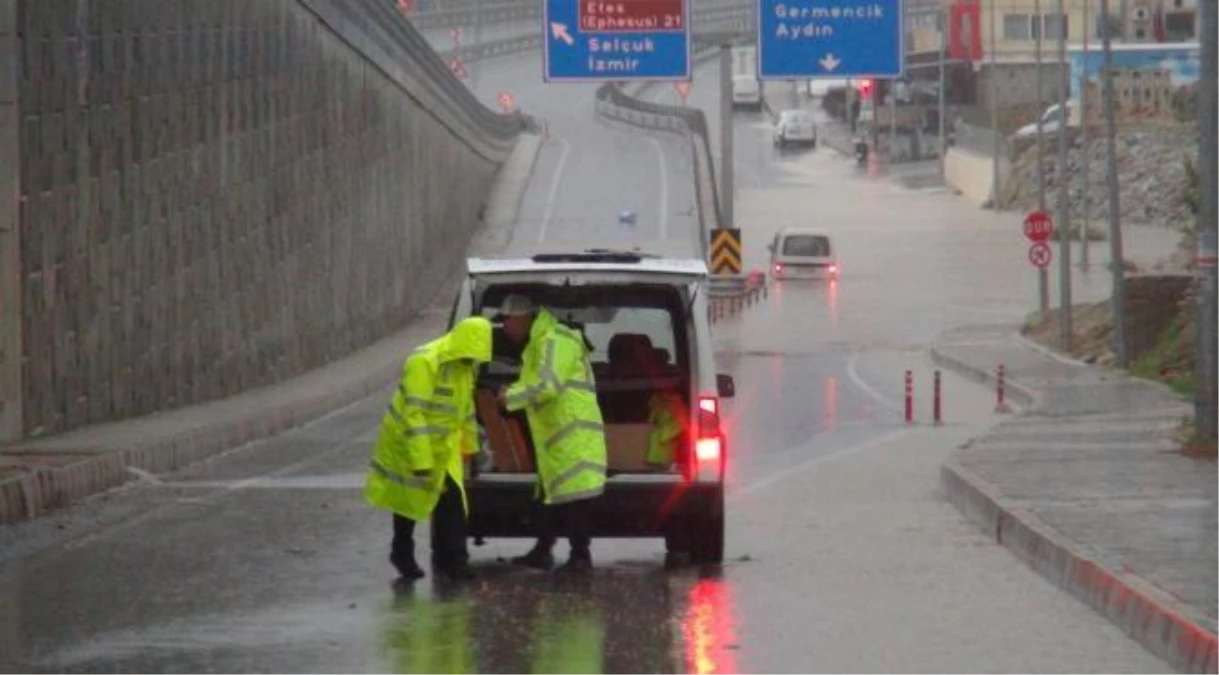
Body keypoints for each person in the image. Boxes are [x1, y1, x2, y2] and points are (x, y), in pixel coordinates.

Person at [364, 316, 493, 584]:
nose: (471, 363)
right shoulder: (424, 362)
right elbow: (414, 413)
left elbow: (465, 410)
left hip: (445, 447)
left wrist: (471, 449)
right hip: (409, 441)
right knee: (408, 500)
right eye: (469, 357)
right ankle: (404, 551)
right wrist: (421, 460)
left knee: (452, 502)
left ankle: (454, 561)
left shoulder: (465, 365)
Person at [495, 294, 607, 574]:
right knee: (549, 494)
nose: (504, 327)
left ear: (522, 318)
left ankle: (581, 557)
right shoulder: (538, 344)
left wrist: (510, 397)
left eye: (507, 320)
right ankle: (543, 550)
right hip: (556, 435)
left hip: (571, 434)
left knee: (575, 498)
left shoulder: (553, 341)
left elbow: (546, 386)